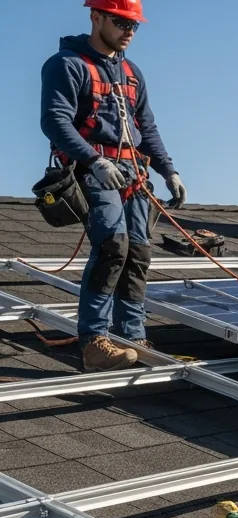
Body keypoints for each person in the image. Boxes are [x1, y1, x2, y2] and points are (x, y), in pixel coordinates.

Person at [40, 0, 185, 372]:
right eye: (121, 22)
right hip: (94, 170)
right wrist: (94, 160)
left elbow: (146, 127)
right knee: (112, 247)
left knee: (138, 252)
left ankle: (132, 335)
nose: (129, 31)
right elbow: (55, 121)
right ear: (96, 17)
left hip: (134, 172)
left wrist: (169, 171)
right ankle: (94, 341)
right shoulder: (67, 65)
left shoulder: (132, 73)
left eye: (134, 25)